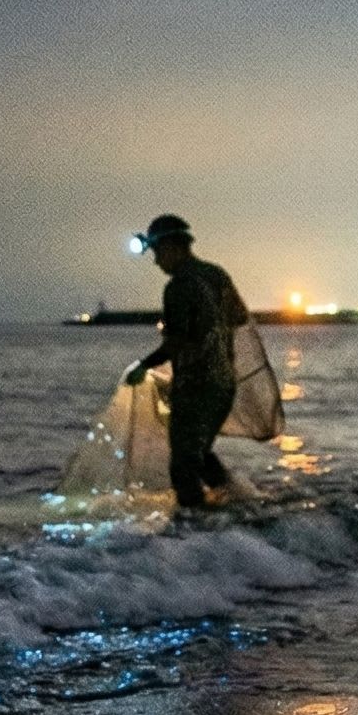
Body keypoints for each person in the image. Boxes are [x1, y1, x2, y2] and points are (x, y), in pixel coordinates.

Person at [123, 214, 249, 511]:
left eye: (157, 253)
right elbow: (240, 317)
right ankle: (237, 502)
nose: (157, 263)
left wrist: (144, 365)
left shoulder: (178, 286)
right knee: (199, 453)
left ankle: (196, 527)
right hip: (223, 385)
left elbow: (177, 341)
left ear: (172, 247)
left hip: (196, 386)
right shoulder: (216, 274)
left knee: (183, 465)